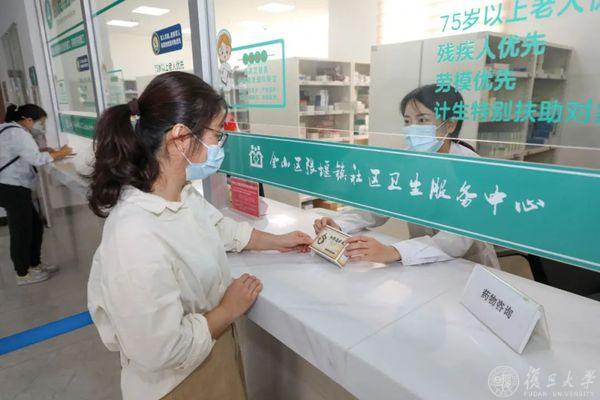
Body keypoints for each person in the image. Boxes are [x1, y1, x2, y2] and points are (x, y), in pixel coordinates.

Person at [86, 71, 313, 400]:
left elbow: (220, 230)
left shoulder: (180, 195)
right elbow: (159, 350)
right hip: (177, 385)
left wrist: (280, 242)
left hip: (212, 355)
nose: (219, 146)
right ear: (180, 138)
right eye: (216, 134)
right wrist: (228, 309)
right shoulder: (134, 236)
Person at [314, 84, 500, 269]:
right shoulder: (407, 161)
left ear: (450, 124)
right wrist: (339, 224)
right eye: (407, 121)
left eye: (422, 120)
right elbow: (379, 204)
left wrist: (393, 251)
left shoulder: (471, 167)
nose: (413, 128)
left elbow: (457, 239)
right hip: (421, 263)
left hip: (468, 266)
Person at [0, 104, 73, 285]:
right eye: (41, 123)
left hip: (11, 185)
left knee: (34, 226)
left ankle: (34, 264)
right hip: (11, 187)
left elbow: (17, 153)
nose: (42, 127)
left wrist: (46, 150)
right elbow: (36, 160)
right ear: (28, 120)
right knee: (21, 231)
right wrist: (61, 153)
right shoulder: (18, 134)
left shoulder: (8, 129)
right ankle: (22, 274)